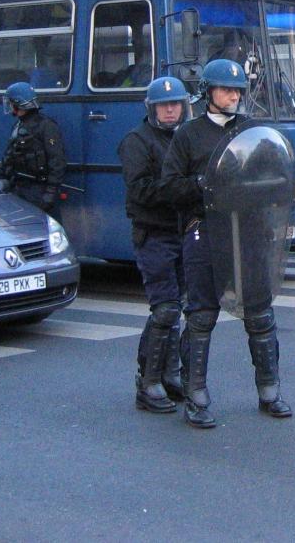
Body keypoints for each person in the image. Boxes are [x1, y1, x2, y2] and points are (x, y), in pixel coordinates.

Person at [160, 59, 293, 428]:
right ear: (208, 92)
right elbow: (169, 186)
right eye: (226, 89)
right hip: (205, 230)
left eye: (237, 90)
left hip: (248, 230)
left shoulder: (251, 130)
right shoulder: (188, 135)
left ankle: (270, 391)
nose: (233, 96)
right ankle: (196, 396)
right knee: (201, 316)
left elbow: (273, 175)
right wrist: (205, 184)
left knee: (261, 313)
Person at [118, 76, 191, 414]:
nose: (170, 109)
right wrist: (181, 189)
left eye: (175, 103)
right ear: (151, 108)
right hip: (154, 233)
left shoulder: (185, 138)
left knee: (178, 306)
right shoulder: (137, 141)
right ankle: (148, 382)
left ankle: (171, 375)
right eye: (164, 105)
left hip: (183, 232)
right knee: (165, 308)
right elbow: (140, 190)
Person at [0, 81, 67, 218]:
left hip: (39, 190)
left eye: (11, 103)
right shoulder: (18, 126)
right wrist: (2, 179)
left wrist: (51, 192)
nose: (10, 107)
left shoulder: (46, 126)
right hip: (18, 188)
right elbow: (9, 157)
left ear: (18, 103)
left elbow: (57, 160)